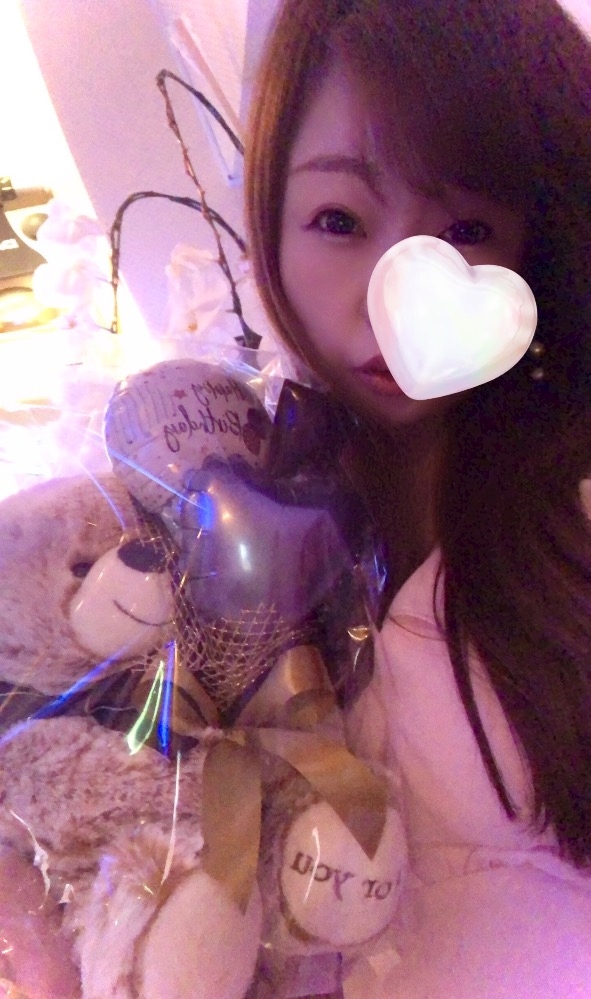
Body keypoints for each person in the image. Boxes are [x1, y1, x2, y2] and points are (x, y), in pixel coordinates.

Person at [244, 1, 591, 996]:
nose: (394, 296)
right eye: (340, 221)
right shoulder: (224, 503)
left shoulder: (570, 512)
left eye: (466, 230)